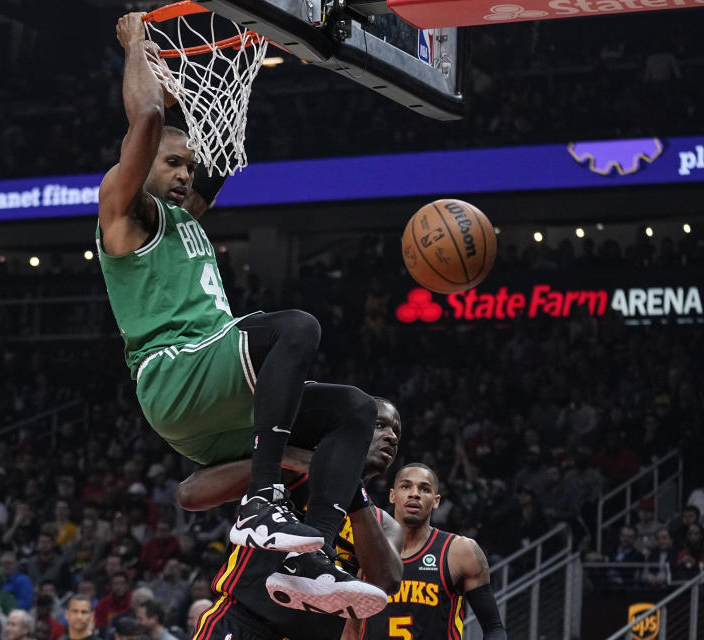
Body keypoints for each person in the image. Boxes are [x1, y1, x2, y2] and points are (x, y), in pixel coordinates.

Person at [96, 12, 385, 611]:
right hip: (177, 375)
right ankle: (262, 498)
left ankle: (314, 559)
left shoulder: (182, 218)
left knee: (355, 409)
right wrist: (137, 50)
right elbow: (148, 118)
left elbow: (222, 164)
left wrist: (283, 39)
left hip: (215, 398)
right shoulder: (122, 214)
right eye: (172, 164)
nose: (184, 175)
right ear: (137, 164)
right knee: (296, 329)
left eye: (187, 168)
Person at [190, 396, 404, 640]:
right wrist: (287, 458)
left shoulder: (383, 523)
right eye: (379, 425)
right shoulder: (293, 473)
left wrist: (352, 487)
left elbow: (386, 582)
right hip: (244, 622)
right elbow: (190, 494)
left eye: (396, 431)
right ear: (351, 426)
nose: (392, 437)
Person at [361, 463, 504, 640]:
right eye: (406, 487)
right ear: (392, 495)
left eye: (424, 489)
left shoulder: (460, 551)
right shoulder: (364, 549)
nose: (414, 494)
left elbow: (494, 627)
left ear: (436, 501)